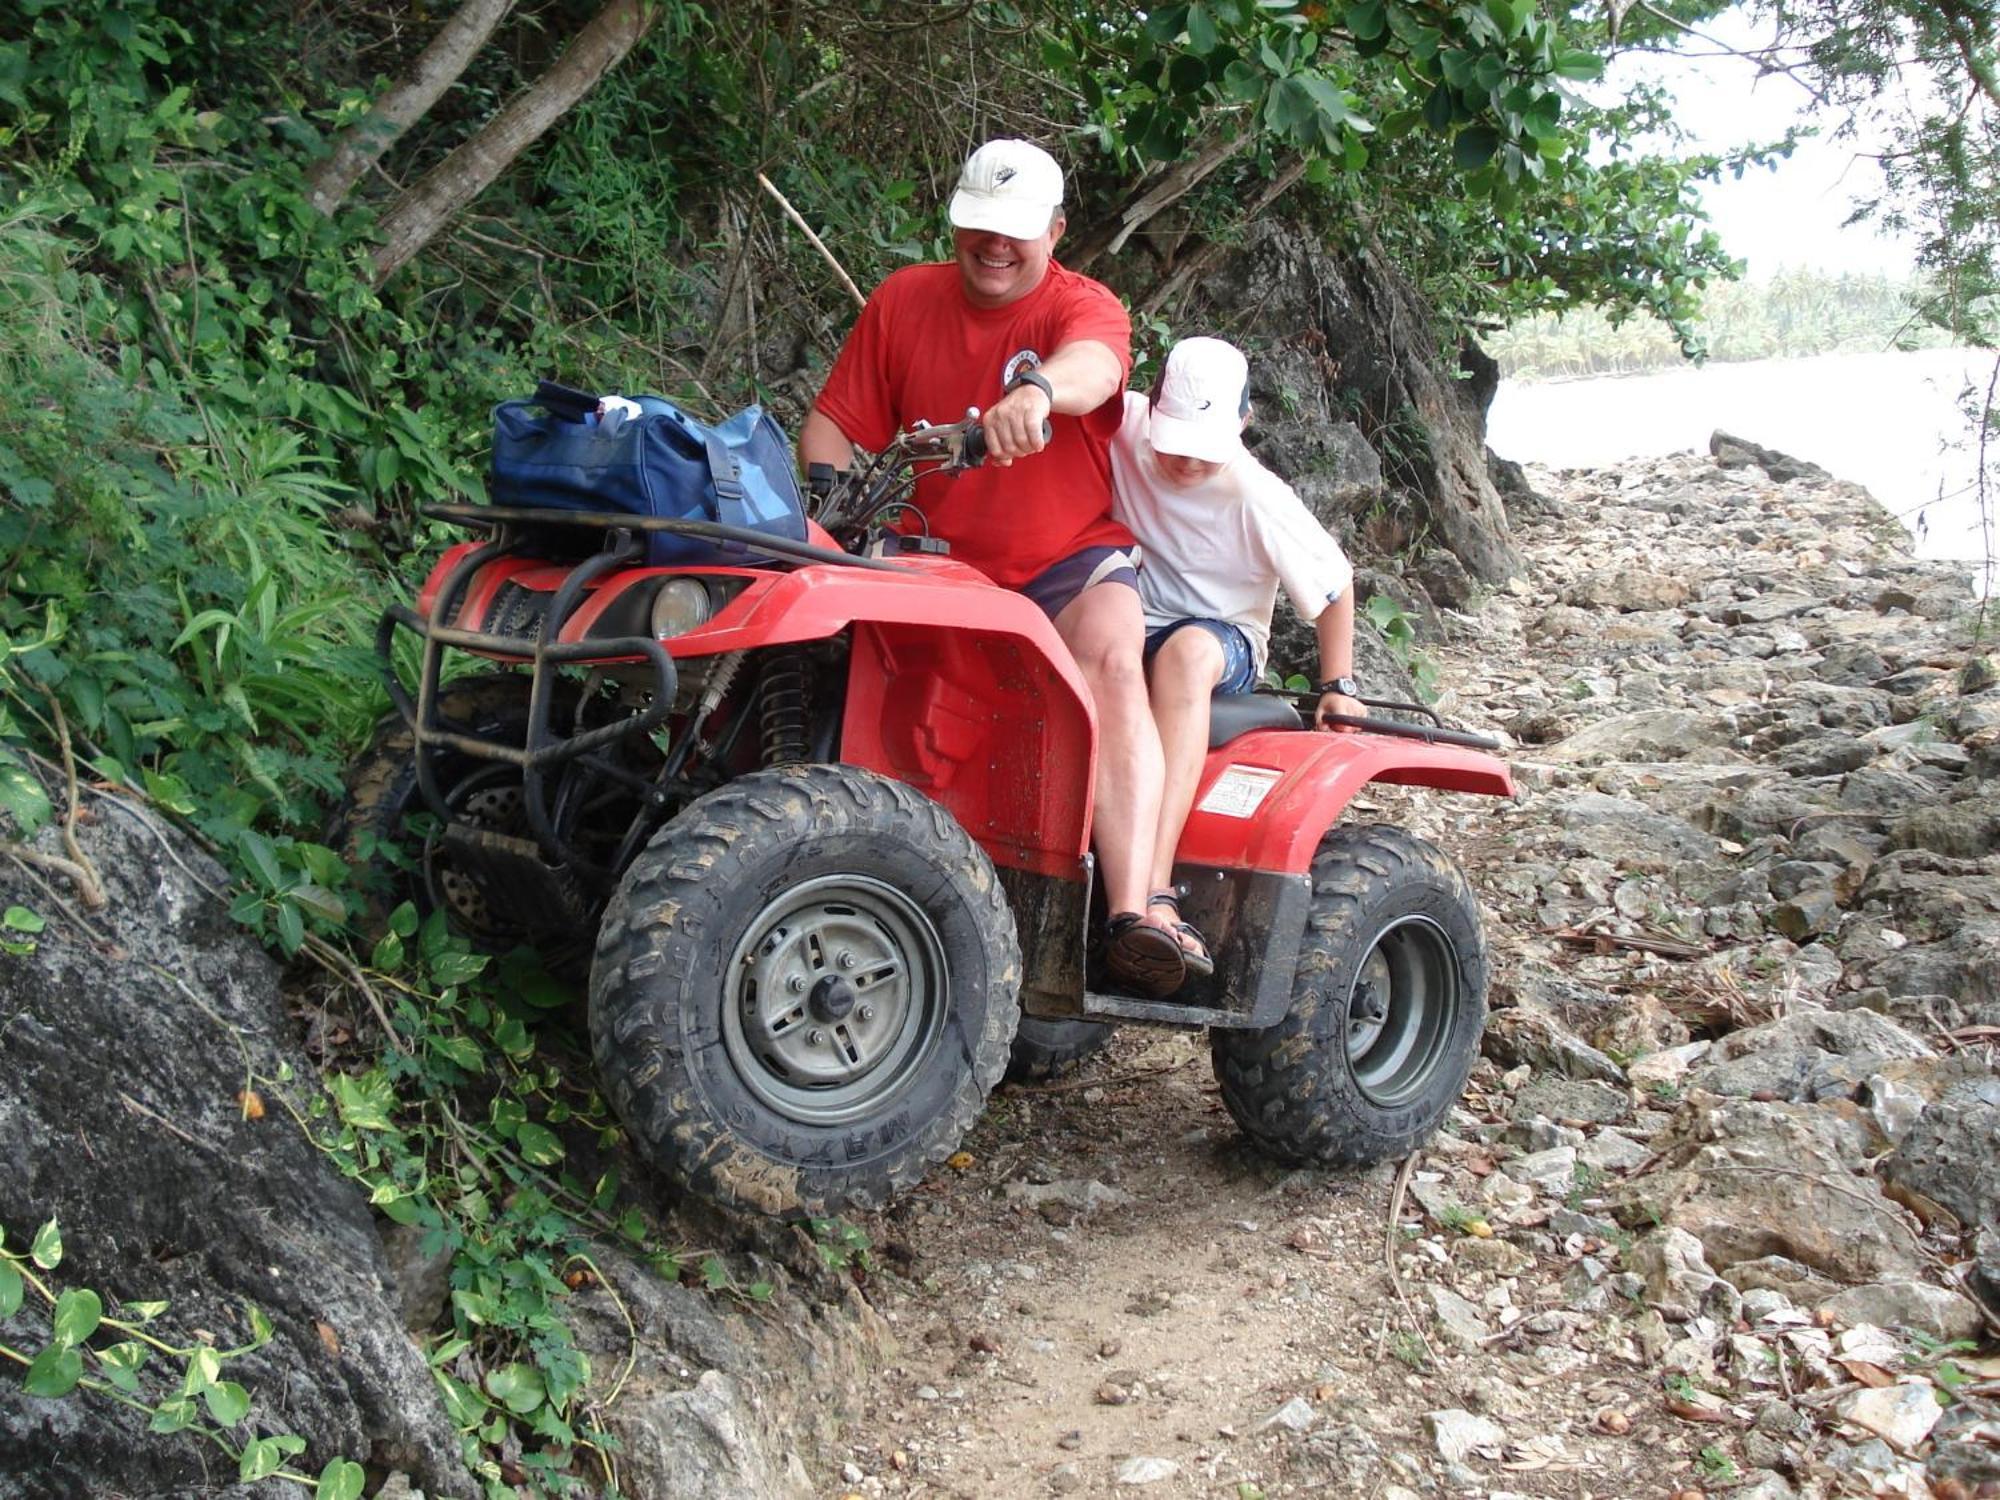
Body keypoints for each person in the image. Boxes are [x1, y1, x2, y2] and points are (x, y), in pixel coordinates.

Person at [799, 139, 1187, 996]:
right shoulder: (904, 300)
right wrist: (826, 499)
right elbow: (832, 421)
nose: (995, 246)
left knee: (1117, 664)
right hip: (933, 570)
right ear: (955, 223)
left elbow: (1095, 367)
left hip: (1064, 564)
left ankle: (1137, 913)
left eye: (1015, 231)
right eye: (979, 226)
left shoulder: (1081, 307)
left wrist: (1037, 393)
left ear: (1054, 231)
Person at [1109, 337, 1366, 977]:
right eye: (1176, 443)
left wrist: (1338, 682)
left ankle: (1155, 890)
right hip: (1124, 612)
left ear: (1242, 425)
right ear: (1153, 412)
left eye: (1205, 448)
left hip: (1223, 637)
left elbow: (1335, 587)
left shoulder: (1256, 494)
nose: (1188, 462)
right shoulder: (1123, 426)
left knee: (1187, 655)